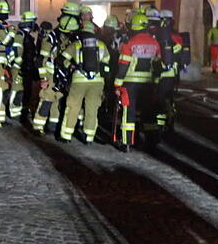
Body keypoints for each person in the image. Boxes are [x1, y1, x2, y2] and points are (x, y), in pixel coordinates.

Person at [113, 13, 160, 152]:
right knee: (149, 112)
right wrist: (156, 83)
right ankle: (152, 141)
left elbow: (123, 66)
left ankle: (127, 142)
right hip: (148, 84)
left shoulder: (129, 43)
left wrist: (117, 85)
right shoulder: (155, 43)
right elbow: (157, 66)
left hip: (130, 84)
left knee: (129, 112)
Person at [59, 22, 110, 144]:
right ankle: (89, 137)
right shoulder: (102, 45)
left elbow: (61, 59)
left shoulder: (75, 45)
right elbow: (106, 64)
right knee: (92, 109)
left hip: (79, 81)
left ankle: (66, 135)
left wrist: (70, 66)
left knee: (73, 107)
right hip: (97, 82)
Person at [32, 13, 79, 135]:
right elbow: (40, 60)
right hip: (50, 75)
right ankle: (38, 126)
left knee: (57, 100)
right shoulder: (51, 38)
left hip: (62, 75)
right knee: (46, 100)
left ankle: (52, 126)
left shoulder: (69, 38)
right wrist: (43, 78)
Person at [6, 11, 38, 122]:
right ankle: (14, 112)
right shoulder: (20, 35)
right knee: (17, 89)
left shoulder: (27, 36)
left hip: (26, 68)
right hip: (19, 68)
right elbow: (17, 52)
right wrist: (20, 67)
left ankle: (23, 110)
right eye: (33, 22)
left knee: (26, 90)